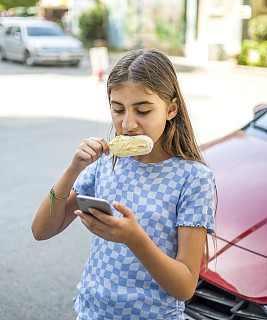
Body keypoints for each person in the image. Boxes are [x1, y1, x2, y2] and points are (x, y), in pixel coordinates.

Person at [32, 49, 216, 320]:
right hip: (91, 312)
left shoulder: (193, 178)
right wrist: (72, 170)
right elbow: (41, 230)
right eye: (118, 109)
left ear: (171, 108)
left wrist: (134, 238)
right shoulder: (106, 164)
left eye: (142, 110)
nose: (127, 124)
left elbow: (185, 287)